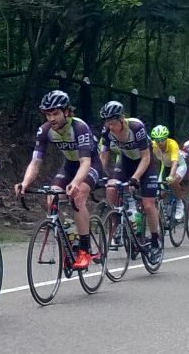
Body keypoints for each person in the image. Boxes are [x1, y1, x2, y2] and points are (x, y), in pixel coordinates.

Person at [15, 90, 99, 269]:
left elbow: (85, 162)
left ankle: (85, 249)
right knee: (51, 197)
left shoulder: (79, 127)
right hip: (70, 165)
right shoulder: (45, 130)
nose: (51, 118)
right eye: (47, 114)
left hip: (90, 165)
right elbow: (36, 162)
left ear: (67, 112)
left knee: (78, 196)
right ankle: (69, 232)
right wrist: (25, 183)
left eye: (55, 113)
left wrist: (76, 183)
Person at [96, 100, 161, 261]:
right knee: (111, 188)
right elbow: (104, 155)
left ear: (122, 119)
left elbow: (146, 157)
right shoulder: (107, 131)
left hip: (145, 163)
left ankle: (155, 241)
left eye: (113, 122)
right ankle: (118, 220)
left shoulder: (136, 127)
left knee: (148, 204)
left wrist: (135, 178)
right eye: (107, 123)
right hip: (125, 161)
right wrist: (99, 175)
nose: (110, 126)